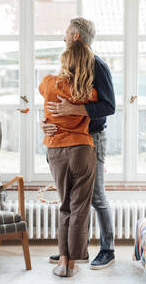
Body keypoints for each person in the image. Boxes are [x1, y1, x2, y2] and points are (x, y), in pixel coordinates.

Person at [40, 17, 116, 270]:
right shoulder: (72, 65)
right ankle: (70, 252)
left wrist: (75, 108)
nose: (63, 37)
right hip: (68, 138)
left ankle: (107, 249)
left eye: (65, 32)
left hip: (92, 137)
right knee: (72, 199)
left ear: (75, 36)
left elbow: (108, 106)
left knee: (95, 197)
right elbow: (58, 100)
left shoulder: (98, 65)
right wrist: (47, 122)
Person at [39, 36, 98, 278]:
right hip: (82, 150)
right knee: (80, 208)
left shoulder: (48, 83)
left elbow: (42, 89)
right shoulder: (89, 92)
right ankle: (73, 263)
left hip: (56, 150)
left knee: (64, 206)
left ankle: (62, 262)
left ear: (65, 61)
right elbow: (101, 103)